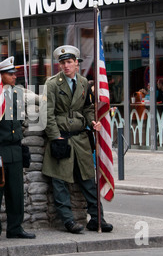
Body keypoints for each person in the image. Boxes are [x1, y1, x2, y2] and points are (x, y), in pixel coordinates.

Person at [42, 45, 113, 234]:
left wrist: (93, 121)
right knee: (60, 181)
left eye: (69, 62)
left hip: (80, 138)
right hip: (61, 137)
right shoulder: (52, 84)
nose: (65, 66)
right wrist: (55, 136)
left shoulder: (83, 83)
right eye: (62, 63)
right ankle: (68, 221)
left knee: (88, 179)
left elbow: (88, 108)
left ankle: (97, 218)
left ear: (76, 64)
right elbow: (47, 113)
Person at [0, 56, 36, 242]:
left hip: (15, 150)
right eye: (10, 74)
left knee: (16, 193)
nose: (14, 77)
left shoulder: (16, 95)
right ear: (0, 75)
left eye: (14, 73)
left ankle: (15, 227)